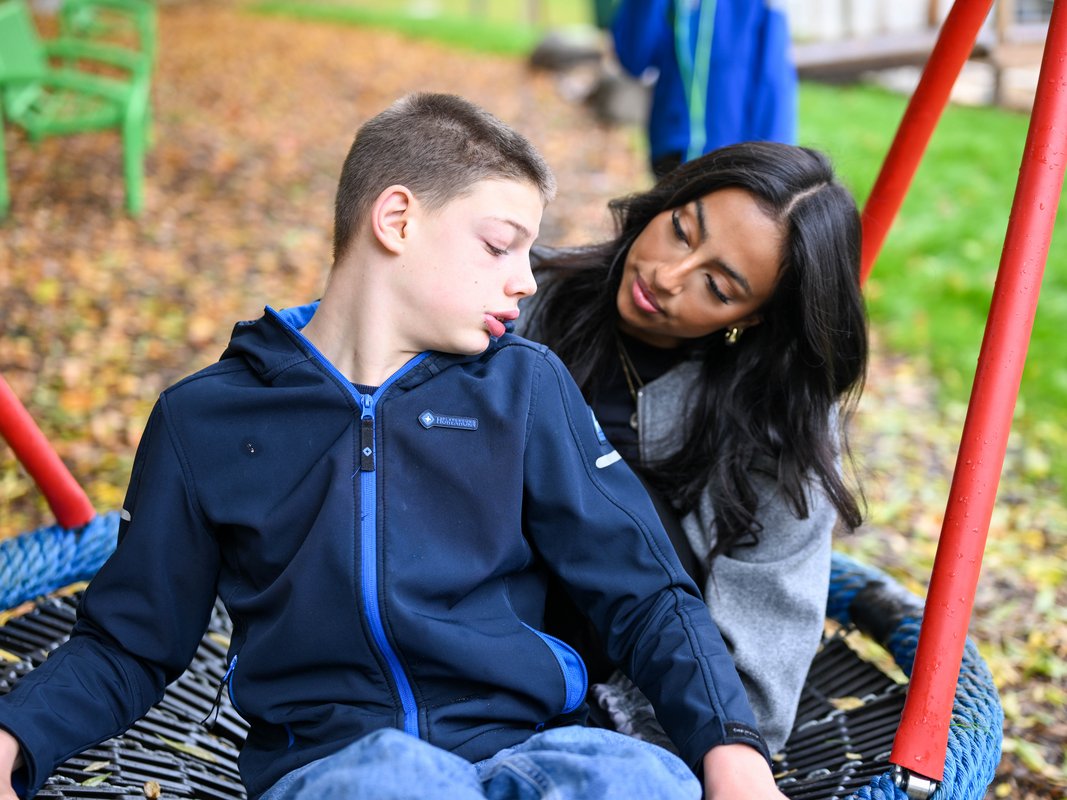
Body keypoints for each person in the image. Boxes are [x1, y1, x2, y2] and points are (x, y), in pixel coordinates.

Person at [0, 94, 788, 800]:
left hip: (528, 750)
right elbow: (128, 643)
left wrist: (732, 752)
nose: (525, 280)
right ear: (397, 221)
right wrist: (14, 742)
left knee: (634, 777)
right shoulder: (205, 420)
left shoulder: (523, 387)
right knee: (398, 780)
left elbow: (645, 594)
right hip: (337, 767)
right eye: (500, 245)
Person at [520, 140, 868, 755]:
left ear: (754, 317)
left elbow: (756, 689)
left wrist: (608, 741)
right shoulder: (530, 293)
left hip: (607, 695)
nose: (666, 276)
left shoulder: (777, 430)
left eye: (717, 285)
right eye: (681, 231)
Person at [611, 0, 798, 178]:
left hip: (733, 150)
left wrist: (775, 161)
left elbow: (775, 76)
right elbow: (634, 58)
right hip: (674, 143)